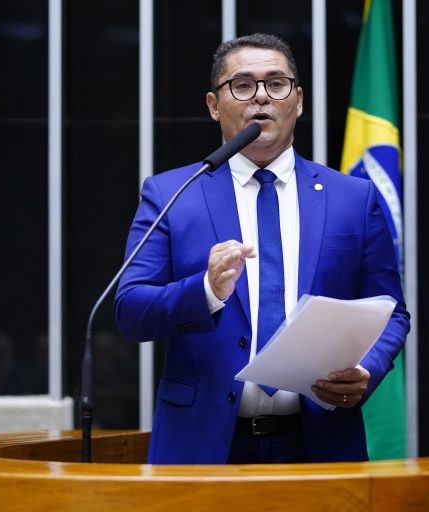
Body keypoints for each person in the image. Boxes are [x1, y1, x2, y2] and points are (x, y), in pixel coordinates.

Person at [114, 33, 410, 464]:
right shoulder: (173, 194)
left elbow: (392, 310)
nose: (261, 99)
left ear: (299, 100)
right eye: (243, 85)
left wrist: (368, 369)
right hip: (203, 445)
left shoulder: (354, 198)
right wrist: (207, 290)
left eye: (276, 84)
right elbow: (130, 311)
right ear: (215, 105)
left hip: (319, 441)